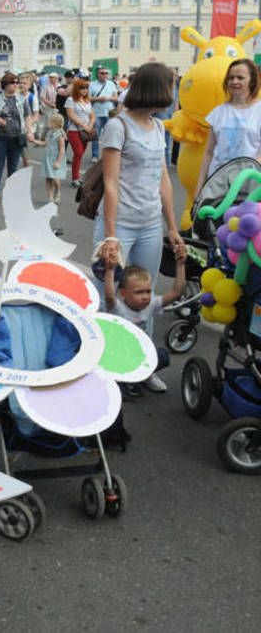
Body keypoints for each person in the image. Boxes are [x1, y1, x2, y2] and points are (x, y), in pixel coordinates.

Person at [95, 62, 186, 392]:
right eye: (170, 86)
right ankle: (105, 367)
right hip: (120, 225)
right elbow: (111, 183)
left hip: (149, 225)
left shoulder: (159, 127)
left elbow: (163, 180)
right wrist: (110, 235)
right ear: (156, 88)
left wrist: (171, 227)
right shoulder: (118, 127)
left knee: (144, 301)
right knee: (108, 297)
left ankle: (142, 366)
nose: (174, 94)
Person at [103, 256, 185, 395]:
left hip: (137, 353)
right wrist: (110, 270)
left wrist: (180, 263)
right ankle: (125, 381)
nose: (145, 296)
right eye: (139, 292)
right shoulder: (118, 308)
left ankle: (141, 377)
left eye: (148, 291)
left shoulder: (151, 304)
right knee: (114, 389)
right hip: (117, 356)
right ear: (123, 294)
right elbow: (110, 296)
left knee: (163, 357)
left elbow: (176, 293)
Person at [194, 58, 261, 198]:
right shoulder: (217, 112)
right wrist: (200, 185)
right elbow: (208, 153)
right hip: (219, 184)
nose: (234, 81)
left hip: (250, 187)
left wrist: (246, 173)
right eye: (231, 78)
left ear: (252, 81)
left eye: (240, 77)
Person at [0, 71, 32, 204]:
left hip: (17, 136)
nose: (16, 85)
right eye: (13, 82)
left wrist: (29, 132)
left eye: (17, 82)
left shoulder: (22, 99)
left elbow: (27, 116)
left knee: (13, 166)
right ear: (5, 85)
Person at [65, 78, 95, 187]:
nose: (85, 90)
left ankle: (76, 177)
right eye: (82, 88)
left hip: (86, 131)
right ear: (77, 88)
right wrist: (83, 126)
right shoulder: (70, 100)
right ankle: (75, 178)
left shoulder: (87, 101)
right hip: (74, 130)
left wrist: (90, 125)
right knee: (78, 153)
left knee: (80, 154)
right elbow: (71, 116)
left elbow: (92, 116)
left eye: (86, 88)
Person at [34, 113, 66, 203]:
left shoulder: (60, 136)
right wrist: (34, 140)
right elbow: (44, 144)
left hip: (55, 159)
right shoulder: (49, 133)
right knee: (48, 178)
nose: (49, 124)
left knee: (55, 179)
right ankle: (50, 198)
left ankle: (57, 192)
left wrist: (58, 162)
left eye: (50, 122)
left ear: (55, 124)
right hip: (48, 159)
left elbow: (62, 150)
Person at [89, 66, 119, 160]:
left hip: (109, 113)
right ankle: (95, 155)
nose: (105, 75)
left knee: (111, 135)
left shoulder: (111, 84)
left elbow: (116, 97)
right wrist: (99, 99)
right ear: (97, 74)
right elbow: (88, 98)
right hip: (97, 112)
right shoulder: (92, 84)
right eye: (102, 73)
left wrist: (108, 98)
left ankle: (109, 156)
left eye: (106, 73)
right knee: (95, 136)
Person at [18, 72, 39, 167]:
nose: (22, 85)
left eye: (24, 83)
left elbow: (36, 116)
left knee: (25, 156)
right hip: (15, 128)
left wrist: (28, 123)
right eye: (20, 83)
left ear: (29, 85)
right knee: (13, 155)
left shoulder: (32, 97)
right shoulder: (16, 96)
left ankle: (25, 172)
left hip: (27, 130)